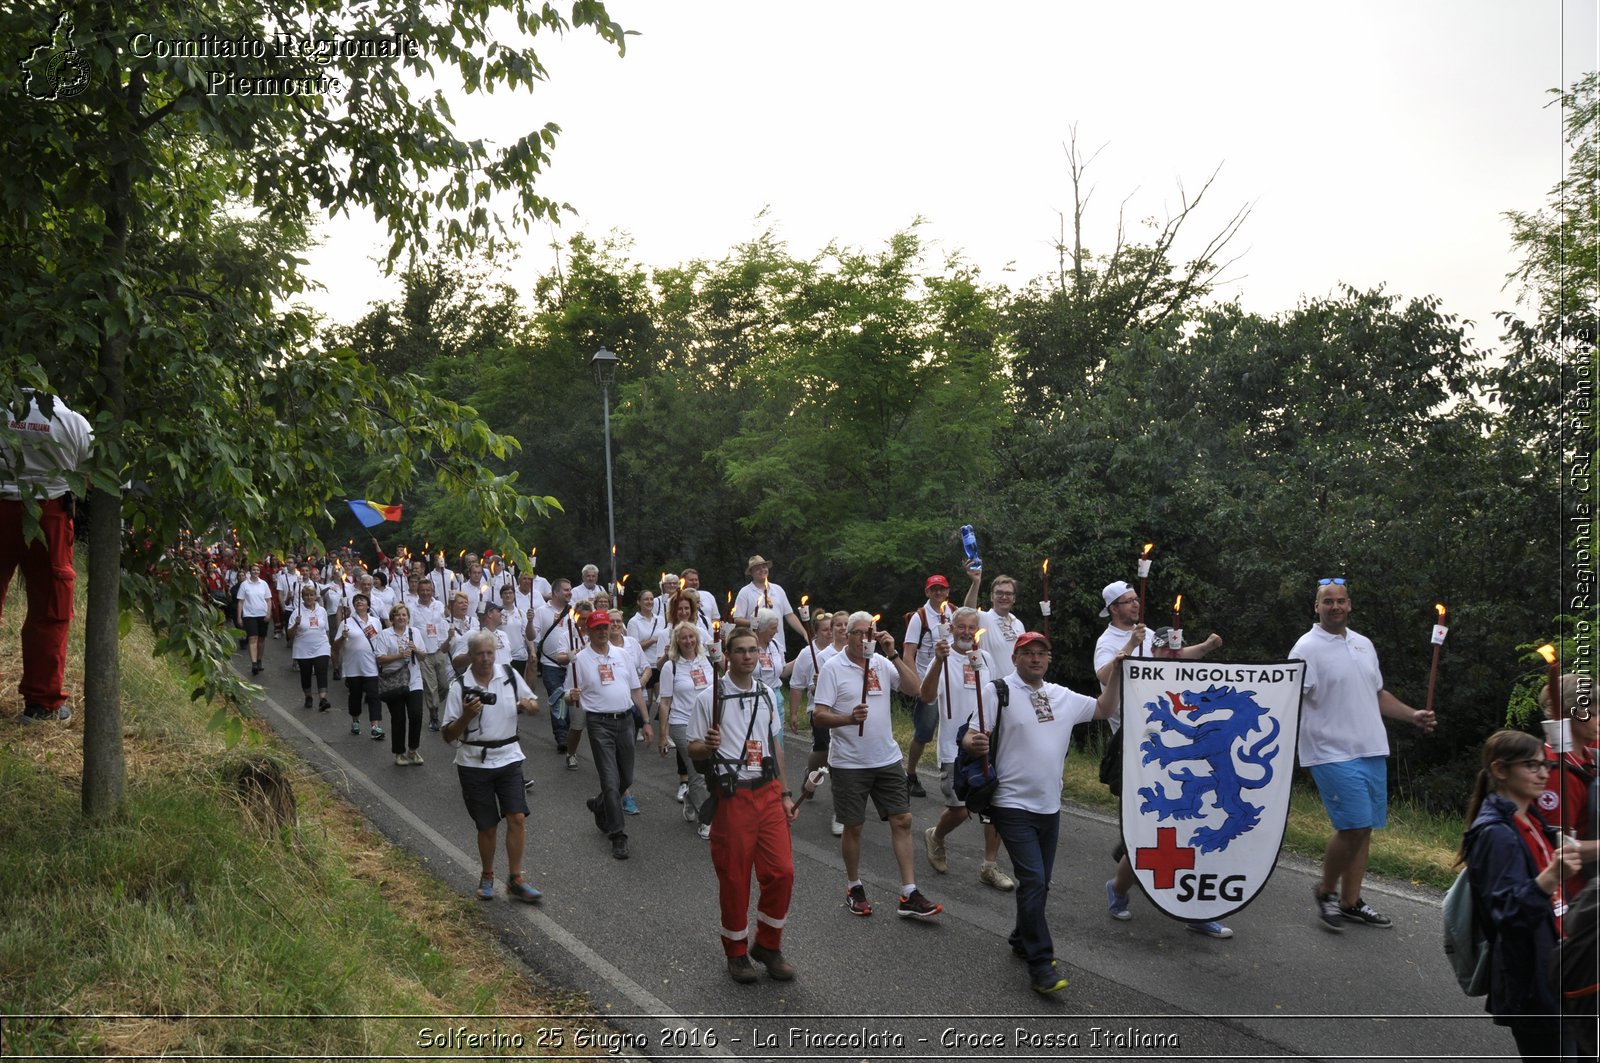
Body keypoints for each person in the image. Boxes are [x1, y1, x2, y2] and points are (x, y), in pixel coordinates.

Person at [961, 631, 1128, 994]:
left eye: (1042, 653)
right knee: (1034, 880)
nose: (1035, 659)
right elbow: (972, 735)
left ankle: (1022, 937)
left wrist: (1116, 672)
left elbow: (1104, 709)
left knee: (1040, 882)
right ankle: (1041, 964)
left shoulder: (1062, 696)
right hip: (1010, 802)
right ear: (1016, 658)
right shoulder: (997, 691)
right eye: (1028, 653)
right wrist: (971, 742)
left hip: (1049, 804)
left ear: (1049, 659)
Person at [1291, 578, 1435, 931]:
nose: (1335, 606)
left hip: (1370, 746)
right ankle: (1326, 891)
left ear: (1350, 604)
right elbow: (1291, 697)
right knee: (1352, 825)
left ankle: (1351, 901)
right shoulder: (1306, 648)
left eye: (1341, 601)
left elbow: (1378, 694)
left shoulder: (1363, 644)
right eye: (1328, 601)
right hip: (1329, 750)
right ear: (1317, 607)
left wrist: (1412, 715)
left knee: (1364, 828)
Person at [1095, 577, 1232, 938]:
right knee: (1151, 831)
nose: (1135, 605)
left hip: (1172, 736)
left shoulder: (1151, 632)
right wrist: (1130, 645)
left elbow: (1173, 658)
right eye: (1127, 601)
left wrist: (1204, 647)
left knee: (1190, 817)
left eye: (1135, 600)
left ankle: (1195, 908)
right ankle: (1120, 886)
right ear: (1114, 608)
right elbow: (1104, 675)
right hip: (1134, 744)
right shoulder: (1108, 641)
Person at [1460, 729, 1581, 1062]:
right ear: (1501, 770)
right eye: (1531, 765)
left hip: (1560, 966)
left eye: (1545, 765)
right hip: (1533, 977)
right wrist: (1550, 877)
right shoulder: (1496, 834)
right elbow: (1508, 915)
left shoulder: (1532, 819)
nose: (1544, 773)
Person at [686, 626, 799, 983]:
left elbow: (774, 744)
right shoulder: (710, 698)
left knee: (782, 872)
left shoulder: (767, 694)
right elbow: (692, 749)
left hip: (767, 792)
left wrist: (784, 793)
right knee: (735, 878)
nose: (748, 656)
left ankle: (768, 945)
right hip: (733, 796)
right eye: (741, 651)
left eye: (753, 650)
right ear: (728, 655)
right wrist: (708, 745)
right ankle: (736, 952)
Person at [812, 610, 942, 920]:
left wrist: (894, 654)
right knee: (854, 826)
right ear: (848, 636)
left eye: (870, 632)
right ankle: (854, 885)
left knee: (903, 820)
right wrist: (847, 718)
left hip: (887, 759)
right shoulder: (833, 667)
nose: (865, 638)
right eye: (859, 633)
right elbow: (818, 715)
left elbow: (918, 690)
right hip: (849, 762)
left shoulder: (882, 664)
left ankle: (909, 892)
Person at [441, 630, 543, 903]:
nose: (486, 659)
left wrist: (529, 706)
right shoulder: (459, 686)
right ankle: (487, 875)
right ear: (470, 657)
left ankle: (515, 879)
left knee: (517, 817)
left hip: (509, 757)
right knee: (487, 826)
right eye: (480, 654)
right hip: (474, 762)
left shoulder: (508, 674)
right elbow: (448, 735)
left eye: (490, 653)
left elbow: (533, 703)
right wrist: (466, 716)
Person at [918, 606, 1015, 892]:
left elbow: (997, 695)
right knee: (960, 810)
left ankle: (989, 866)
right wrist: (937, 661)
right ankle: (936, 835)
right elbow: (925, 696)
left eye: (971, 627)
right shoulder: (943, 658)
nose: (966, 632)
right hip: (953, 746)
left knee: (993, 807)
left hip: (985, 743)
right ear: (951, 628)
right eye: (961, 626)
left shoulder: (983, 658)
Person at [569, 610, 653, 859]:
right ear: (588, 631)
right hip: (599, 723)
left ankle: (599, 803)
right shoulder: (580, 660)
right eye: (597, 628)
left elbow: (636, 690)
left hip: (626, 720)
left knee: (625, 778)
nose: (603, 631)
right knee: (609, 778)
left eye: (605, 627)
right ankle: (618, 835)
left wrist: (647, 721)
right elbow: (568, 693)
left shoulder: (623, 655)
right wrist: (570, 696)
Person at [1538, 673, 1599, 900]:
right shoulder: (1556, 772)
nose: (1598, 720)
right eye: (1591, 714)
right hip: (1568, 897)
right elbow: (1558, 846)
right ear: (1568, 716)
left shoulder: (1587, 759)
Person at [659, 621, 714, 837]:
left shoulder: (708, 660)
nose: (688, 641)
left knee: (710, 770)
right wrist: (663, 736)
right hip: (682, 723)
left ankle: (692, 796)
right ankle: (706, 819)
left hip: (708, 722)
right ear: (676, 641)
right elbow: (664, 702)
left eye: (692, 637)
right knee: (696, 771)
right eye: (684, 638)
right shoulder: (670, 666)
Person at [901, 574, 954, 796]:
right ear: (927, 592)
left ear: (948, 591)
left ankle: (954, 774)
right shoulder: (920, 617)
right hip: (929, 681)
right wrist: (917, 684)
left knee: (955, 728)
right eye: (934, 589)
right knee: (924, 732)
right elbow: (908, 652)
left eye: (942, 589)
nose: (938, 593)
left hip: (952, 681)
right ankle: (910, 773)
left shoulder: (953, 610)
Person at [375, 603, 427, 765]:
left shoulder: (415, 632)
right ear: (392, 618)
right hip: (394, 681)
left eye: (404, 615)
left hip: (414, 680)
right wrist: (399, 656)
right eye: (397, 615)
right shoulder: (384, 635)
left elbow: (423, 656)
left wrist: (416, 650)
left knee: (416, 715)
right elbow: (380, 658)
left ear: (408, 618)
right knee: (398, 718)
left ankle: (413, 749)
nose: (401, 618)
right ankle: (399, 752)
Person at [531, 577, 577, 760]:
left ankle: (568, 730)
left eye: (570, 589)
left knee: (569, 699)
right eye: (566, 590)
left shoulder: (573, 611)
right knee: (558, 698)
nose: (569, 592)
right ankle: (561, 736)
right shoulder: (542, 611)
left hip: (571, 663)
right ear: (556, 592)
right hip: (551, 663)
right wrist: (528, 623)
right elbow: (532, 634)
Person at [732, 555, 807, 658]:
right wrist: (753, 622)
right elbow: (737, 619)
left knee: (780, 672)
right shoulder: (745, 592)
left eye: (764, 567)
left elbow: (789, 615)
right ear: (751, 573)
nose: (762, 570)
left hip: (778, 645)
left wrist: (804, 633)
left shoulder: (778, 589)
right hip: (755, 645)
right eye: (757, 568)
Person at [332, 592, 384, 739]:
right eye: (356, 601)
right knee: (355, 695)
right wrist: (343, 637)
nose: (359, 602)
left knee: (374, 695)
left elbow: (380, 641)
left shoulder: (376, 621)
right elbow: (335, 647)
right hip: (353, 666)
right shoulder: (346, 622)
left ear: (368, 605)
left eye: (362, 600)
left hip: (371, 665)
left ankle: (375, 726)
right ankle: (355, 721)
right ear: (353, 605)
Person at [961, 568, 1022, 680]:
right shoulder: (984, 618)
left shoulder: (1018, 624)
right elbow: (967, 611)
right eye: (999, 593)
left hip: (1017, 688)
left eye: (1008, 594)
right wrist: (976, 582)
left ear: (1014, 598)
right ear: (991, 596)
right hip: (993, 688)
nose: (1004, 597)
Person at [410, 576, 450, 732]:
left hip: (440, 650)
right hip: (423, 654)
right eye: (422, 590)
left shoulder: (439, 605)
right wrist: (416, 650)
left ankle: (433, 702)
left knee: (444, 686)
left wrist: (448, 613)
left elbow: (447, 621)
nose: (425, 593)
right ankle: (434, 715)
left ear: (432, 591)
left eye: (428, 590)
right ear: (418, 591)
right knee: (431, 687)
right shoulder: (412, 608)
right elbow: (411, 630)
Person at [287, 584, 332, 712]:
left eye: (311, 595)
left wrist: (327, 645)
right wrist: (296, 624)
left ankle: (323, 699)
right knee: (306, 674)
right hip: (303, 648)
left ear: (315, 596)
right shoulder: (297, 612)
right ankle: (308, 696)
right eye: (306, 595)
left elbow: (326, 630)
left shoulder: (322, 611)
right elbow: (290, 634)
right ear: (302, 597)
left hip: (321, 646)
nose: (309, 597)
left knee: (321, 671)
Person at [235, 563, 273, 675]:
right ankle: (254, 663)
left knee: (261, 639)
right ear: (250, 572)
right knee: (253, 638)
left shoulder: (264, 584)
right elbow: (240, 601)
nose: (256, 572)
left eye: (258, 570)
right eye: (253, 570)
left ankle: (259, 659)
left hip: (262, 614)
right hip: (249, 615)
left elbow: (268, 600)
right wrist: (239, 617)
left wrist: (268, 614)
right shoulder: (244, 585)